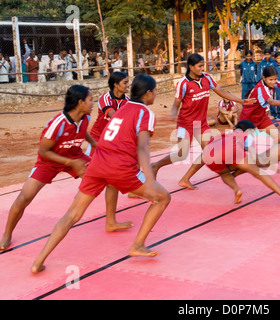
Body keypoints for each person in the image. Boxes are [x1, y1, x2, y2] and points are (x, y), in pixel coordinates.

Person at [31, 75, 171, 273]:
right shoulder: (144, 113)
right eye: (155, 91)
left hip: (98, 164)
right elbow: (142, 148)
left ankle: (38, 261)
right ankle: (137, 244)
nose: (156, 94)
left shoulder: (122, 109)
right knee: (163, 197)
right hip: (120, 167)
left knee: (72, 214)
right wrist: (149, 178)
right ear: (148, 93)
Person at [0, 85, 96, 251]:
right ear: (80, 102)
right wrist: (70, 163)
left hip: (74, 155)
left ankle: (110, 221)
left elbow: (82, 130)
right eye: (90, 99)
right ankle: (7, 234)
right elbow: (43, 151)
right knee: (24, 197)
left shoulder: (85, 117)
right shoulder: (57, 124)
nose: (93, 103)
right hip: (49, 161)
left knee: (103, 177)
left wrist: (94, 143)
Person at [151, 53, 255, 190]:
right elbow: (176, 103)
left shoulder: (207, 78)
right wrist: (173, 114)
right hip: (185, 123)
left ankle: (185, 179)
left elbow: (221, 91)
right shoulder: (183, 83)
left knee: (209, 152)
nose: (202, 68)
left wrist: (241, 101)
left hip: (201, 123)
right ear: (191, 67)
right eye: (199, 66)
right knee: (181, 154)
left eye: (203, 65)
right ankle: (156, 165)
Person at [202, 120, 280, 206]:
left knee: (224, 173)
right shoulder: (246, 136)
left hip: (208, 154)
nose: (254, 134)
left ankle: (236, 189)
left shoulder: (224, 134)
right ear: (249, 130)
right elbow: (255, 159)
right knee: (258, 172)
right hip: (230, 148)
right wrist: (267, 164)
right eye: (254, 132)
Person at [87, 71, 134, 231]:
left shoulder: (127, 100)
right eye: (126, 82)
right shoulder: (105, 99)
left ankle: (110, 220)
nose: (128, 85)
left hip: (113, 142)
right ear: (116, 85)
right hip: (97, 140)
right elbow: (115, 117)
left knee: (110, 181)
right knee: (87, 175)